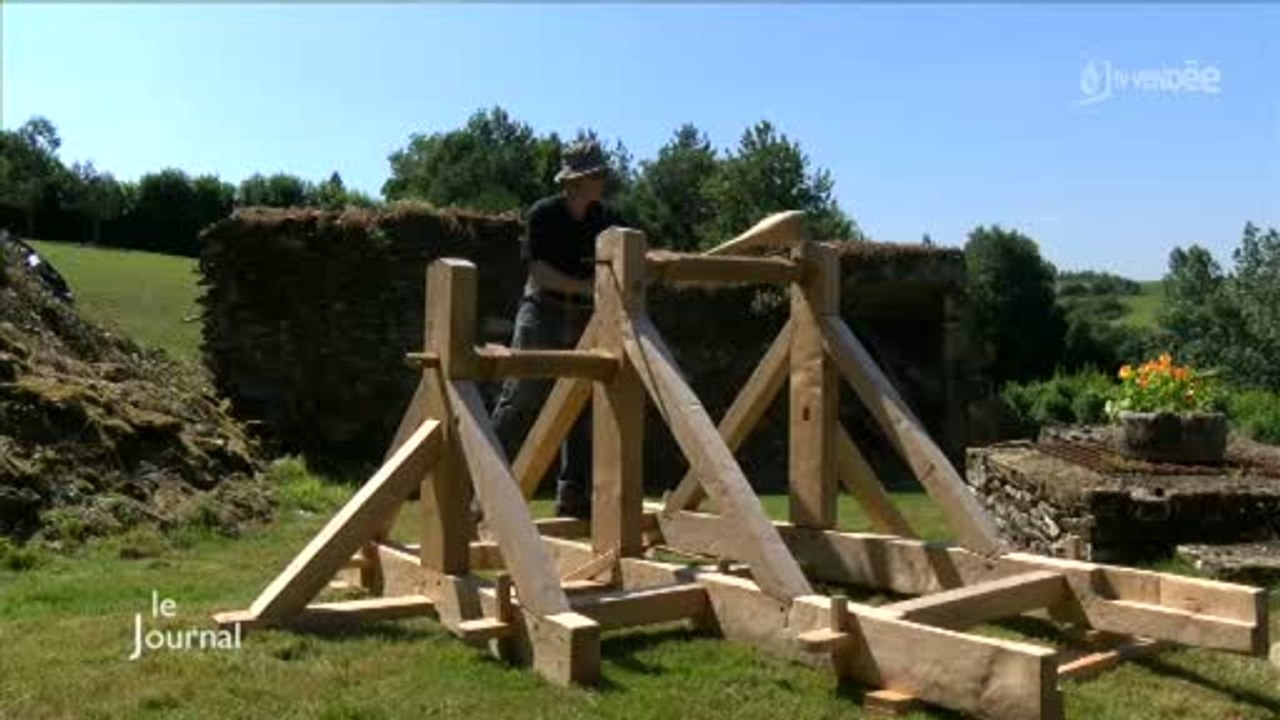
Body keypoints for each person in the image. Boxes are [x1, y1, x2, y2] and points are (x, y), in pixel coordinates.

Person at [490, 140, 623, 519]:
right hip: (542, 312)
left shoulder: (608, 219)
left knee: (580, 408)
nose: (601, 180)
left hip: (586, 318)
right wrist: (590, 287)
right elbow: (540, 273)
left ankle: (574, 499)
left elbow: (632, 256)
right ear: (576, 181)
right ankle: (483, 489)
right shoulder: (544, 214)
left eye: (600, 174)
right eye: (595, 174)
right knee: (520, 398)